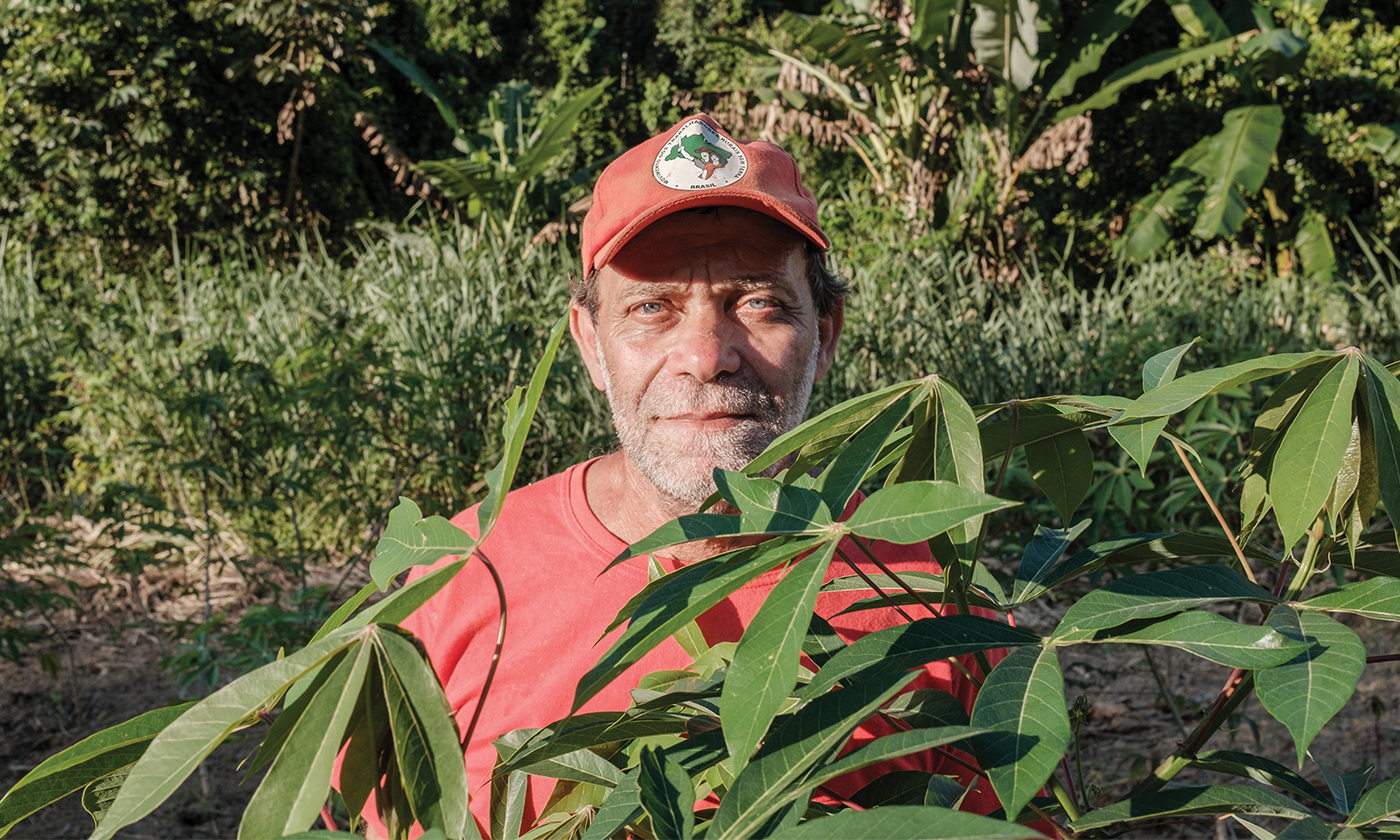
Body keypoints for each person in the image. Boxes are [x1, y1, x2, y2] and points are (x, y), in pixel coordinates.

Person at [355, 114, 1000, 836]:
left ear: (825, 336)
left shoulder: (932, 594)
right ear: (591, 346)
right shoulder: (456, 580)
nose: (706, 354)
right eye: (651, 307)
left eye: (755, 303)